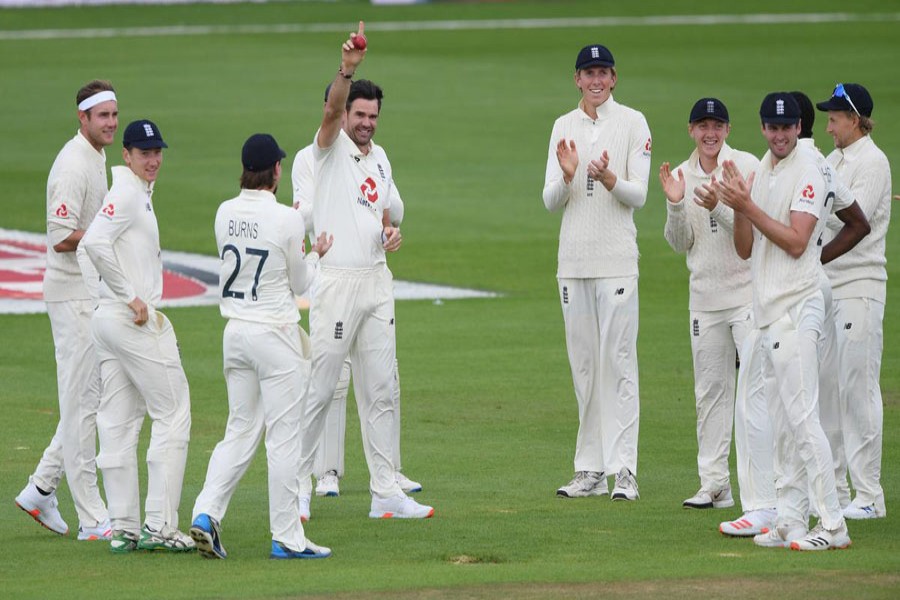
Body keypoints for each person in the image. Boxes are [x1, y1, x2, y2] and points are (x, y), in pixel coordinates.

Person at [714, 91, 870, 540]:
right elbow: (745, 248)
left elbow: (799, 241)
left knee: (802, 419)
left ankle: (834, 524)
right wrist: (738, 205)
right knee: (780, 423)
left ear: (798, 128)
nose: (779, 135)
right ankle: (791, 519)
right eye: (772, 127)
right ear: (762, 128)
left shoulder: (809, 170)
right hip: (769, 310)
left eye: (786, 127)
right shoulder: (763, 169)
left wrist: (748, 207)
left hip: (797, 306)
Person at [297, 22, 434, 520]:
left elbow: (379, 217)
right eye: (360, 114)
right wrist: (347, 69)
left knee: (380, 387)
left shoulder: (380, 161)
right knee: (321, 387)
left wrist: (389, 235)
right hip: (338, 284)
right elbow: (330, 109)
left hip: (377, 281)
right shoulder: (327, 149)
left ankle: (385, 494)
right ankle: (296, 488)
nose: (367, 123)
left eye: (373, 116)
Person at [190, 134, 333, 560]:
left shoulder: (223, 212)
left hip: (235, 334)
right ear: (275, 171)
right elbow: (301, 284)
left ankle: (205, 513)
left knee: (240, 429)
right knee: (284, 439)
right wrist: (317, 253)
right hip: (275, 335)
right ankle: (287, 537)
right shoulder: (287, 220)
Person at [543, 43, 651, 500]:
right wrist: (569, 176)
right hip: (573, 263)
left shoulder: (632, 123)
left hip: (617, 262)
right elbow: (549, 201)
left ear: (614, 78)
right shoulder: (562, 126)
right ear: (577, 80)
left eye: (603, 72)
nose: (596, 80)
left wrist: (608, 179)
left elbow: (640, 195)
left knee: (618, 364)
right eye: (588, 72)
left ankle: (624, 469)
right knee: (585, 368)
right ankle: (589, 469)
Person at [82, 119, 194, 553]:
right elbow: (94, 242)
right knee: (173, 412)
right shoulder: (127, 193)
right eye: (144, 153)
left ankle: (125, 527)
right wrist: (130, 296)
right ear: (125, 155)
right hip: (129, 319)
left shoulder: (135, 192)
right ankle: (160, 526)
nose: (153, 160)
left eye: (157, 152)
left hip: (108, 322)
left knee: (119, 422)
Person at [15, 80, 115, 541]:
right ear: (83, 118)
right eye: (103, 116)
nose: (111, 123)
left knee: (84, 400)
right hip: (71, 295)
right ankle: (93, 518)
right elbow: (60, 235)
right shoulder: (73, 165)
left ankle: (40, 488)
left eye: (114, 115)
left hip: (85, 292)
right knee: (82, 404)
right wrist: (105, 239)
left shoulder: (96, 157)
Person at [659, 98, 758, 510]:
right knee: (710, 393)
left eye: (717, 124)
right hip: (704, 299)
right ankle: (715, 483)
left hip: (748, 295)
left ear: (728, 129)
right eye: (702, 125)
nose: (710, 132)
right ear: (691, 130)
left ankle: (764, 485)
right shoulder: (681, 174)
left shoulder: (747, 167)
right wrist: (676, 203)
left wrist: (718, 204)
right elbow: (679, 242)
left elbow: (752, 238)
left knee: (756, 391)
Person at [815, 83, 891, 519]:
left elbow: (852, 224)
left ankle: (869, 495)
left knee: (856, 388)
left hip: (860, 285)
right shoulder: (834, 160)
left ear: (855, 120)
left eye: (834, 119)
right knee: (828, 391)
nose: (828, 127)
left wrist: (815, 256)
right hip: (828, 288)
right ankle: (840, 489)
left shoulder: (874, 162)